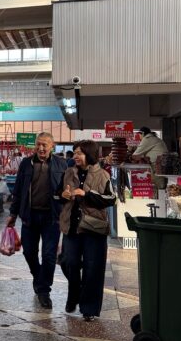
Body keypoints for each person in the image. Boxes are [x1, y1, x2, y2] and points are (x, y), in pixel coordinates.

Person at [7, 133, 67, 308]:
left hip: (52, 218)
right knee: (29, 253)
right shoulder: (26, 164)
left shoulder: (61, 164)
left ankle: (44, 290)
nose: (41, 148)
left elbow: (67, 190)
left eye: (45, 145)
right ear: (35, 145)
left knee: (49, 256)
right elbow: (18, 191)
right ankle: (38, 276)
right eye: (39, 144)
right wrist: (13, 214)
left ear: (52, 146)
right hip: (30, 216)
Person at [59, 140, 116, 321]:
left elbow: (110, 199)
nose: (75, 156)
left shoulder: (103, 175)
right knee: (68, 263)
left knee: (93, 269)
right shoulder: (68, 173)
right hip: (72, 227)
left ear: (89, 154)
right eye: (74, 153)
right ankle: (75, 294)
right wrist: (63, 195)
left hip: (94, 228)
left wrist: (87, 194)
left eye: (79, 153)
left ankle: (89, 308)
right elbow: (57, 193)